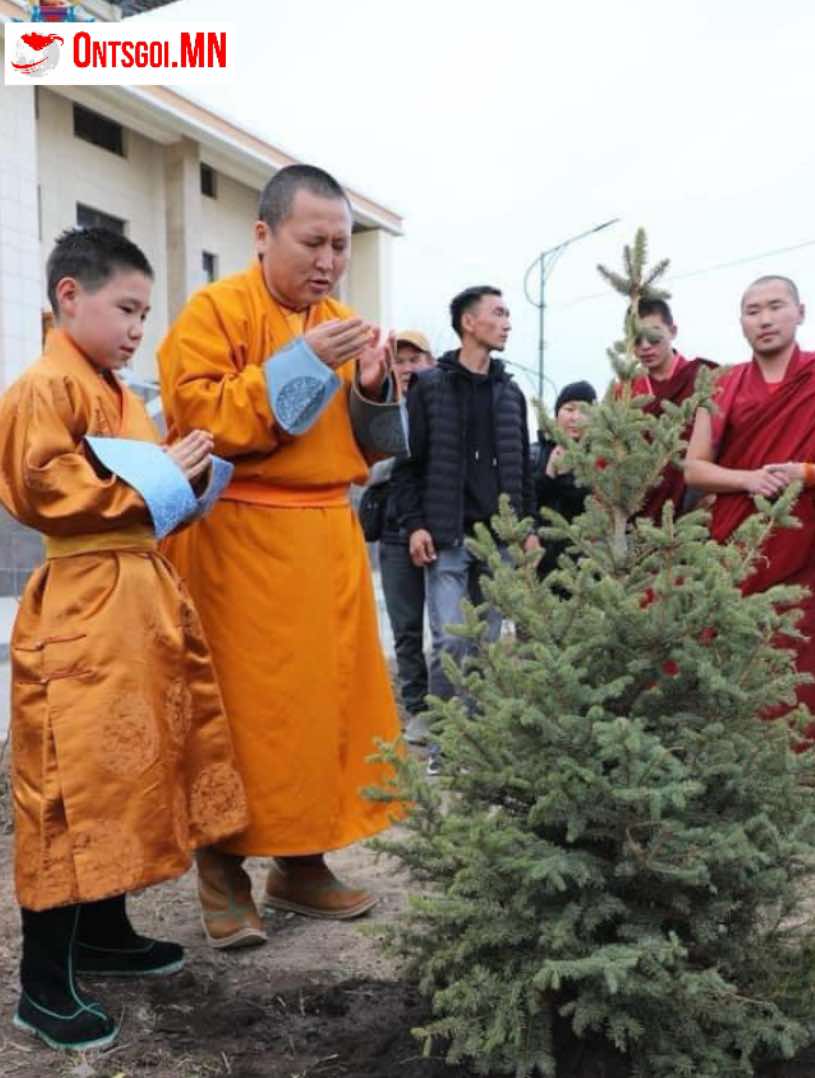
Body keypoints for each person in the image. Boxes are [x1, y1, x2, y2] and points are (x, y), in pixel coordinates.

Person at [0, 227, 247, 1051]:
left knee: (125, 777)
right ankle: (41, 990)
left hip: (136, 598)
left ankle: (105, 931)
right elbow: (52, 489)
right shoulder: (45, 386)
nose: (138, 327)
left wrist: (190, 477)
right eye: (126, 308)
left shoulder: (113, 387)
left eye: (146, 312)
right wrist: (164, 472)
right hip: (82, 604)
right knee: (71, 788)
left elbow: (146, 494)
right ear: (69, 297)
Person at [158, 164, 406, 946]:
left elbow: (376, 446)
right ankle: (222, 867)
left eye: (339, 244)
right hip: (239, 539)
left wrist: (371, 386)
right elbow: (201, 418)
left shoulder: (342, 321)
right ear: (263, 235)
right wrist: (302, 365)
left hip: (326, 534)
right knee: (241, 714)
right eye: (313, 241)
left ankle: (301, 862)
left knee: (325, 709)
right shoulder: (214, 310)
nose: (329, 260)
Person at [393, 286, 537, 774]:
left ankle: (475, 747)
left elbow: (523, 469)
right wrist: (415, 525)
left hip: (498, 539)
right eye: (498, 313)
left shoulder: (511, 393)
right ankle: (445, 747)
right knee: (452, 642)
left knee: (486, 648)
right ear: (469, 323)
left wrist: (527, 528)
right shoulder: (429, 387)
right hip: (447, 536)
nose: (508, 322)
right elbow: (408, 465)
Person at [685, 274, 815, 738]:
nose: (765, 319)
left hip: (804, 551)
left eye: (776, 306)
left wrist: (805, 473)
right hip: (735, 546)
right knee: (721, 651)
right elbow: (694, 469)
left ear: (800, 312)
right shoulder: (722, 385)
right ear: (741, 323)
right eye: (753, 311)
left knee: (799, 665)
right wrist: (749, 478)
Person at [367, 331, 435, 746]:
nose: (408, 368)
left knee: (451, 627)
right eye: (401, 359)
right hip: (395, 533)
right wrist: (406, 455)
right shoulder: (381, 408)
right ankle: (419, 708)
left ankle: (454, 707)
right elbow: (366, 469)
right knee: (407, 628)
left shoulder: (445, 407)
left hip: (442, 530)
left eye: (416, 358)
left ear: (431, 361)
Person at [628, 298, 716, 520]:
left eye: (654, 335)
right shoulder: (626, 391)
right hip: (639, 507)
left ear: (672, 330)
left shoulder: (703, 376)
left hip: (697, 506)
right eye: (637, 339)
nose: (645, 345)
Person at [532, 380, 597, 579]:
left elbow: (595, 504)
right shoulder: (535, 453)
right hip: (540, 561)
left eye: (584, 411)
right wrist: (549, 474)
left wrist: (566, 477)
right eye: (569, 409)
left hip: (584, 565)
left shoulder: (601, 458)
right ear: (557, 413)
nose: (575, 418)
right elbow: (524, 502)